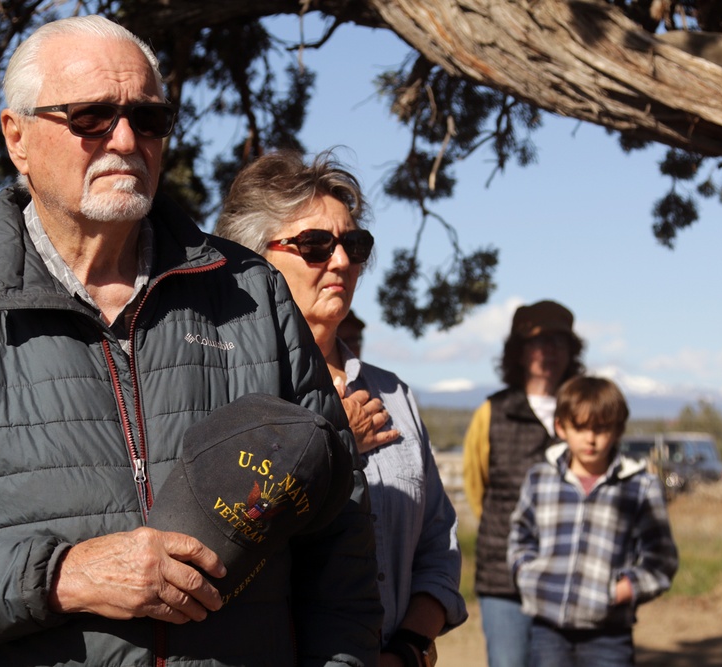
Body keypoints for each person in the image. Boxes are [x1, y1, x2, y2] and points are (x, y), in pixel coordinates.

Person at [0, 16, 382, 667]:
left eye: (148, 118)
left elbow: (338, 533)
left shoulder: (253, 294)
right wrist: (62, 576)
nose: (125, 139)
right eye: (91, 116)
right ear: (18, 137)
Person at [215, 150, 467, 667]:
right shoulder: (222, 388)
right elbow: (227, 537)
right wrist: (334, 443)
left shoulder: (393, 395)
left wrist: (409, 649)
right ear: (253, 257)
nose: (341, 261)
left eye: (354, 244)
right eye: (314, 245)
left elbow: (438, 548)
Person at [508, 376, 679, 666]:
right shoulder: (540, 479)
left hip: (608, 634)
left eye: (601, 428)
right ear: (561, 427)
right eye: (580, 427)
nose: (590, 438)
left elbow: (661, 559)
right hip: (547, 628)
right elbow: (520, 537)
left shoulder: (640, 485)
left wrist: (619, 591)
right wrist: (528, 574)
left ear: (618, 429)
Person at [462, 299, 585, 667]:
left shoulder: (586, 411)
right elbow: (475, 486)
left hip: (570, 575)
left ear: (571, 351)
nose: (548, 351)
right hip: (503, 578)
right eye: (537, 341)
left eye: (558, 342)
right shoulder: (492, 412)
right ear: (518, 351)